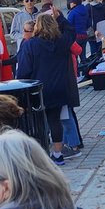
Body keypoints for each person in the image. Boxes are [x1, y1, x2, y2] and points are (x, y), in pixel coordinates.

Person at [15, 9, 76, 165]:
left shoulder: (30, 45)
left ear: (37, 27)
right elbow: (71, 31)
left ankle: (42, 155)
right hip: (59, 88)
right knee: (55, 120)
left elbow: (23, 70)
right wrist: (60, 17)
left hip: (38, 90)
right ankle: (58, 154)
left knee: (39, 123)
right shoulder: (62, 42)